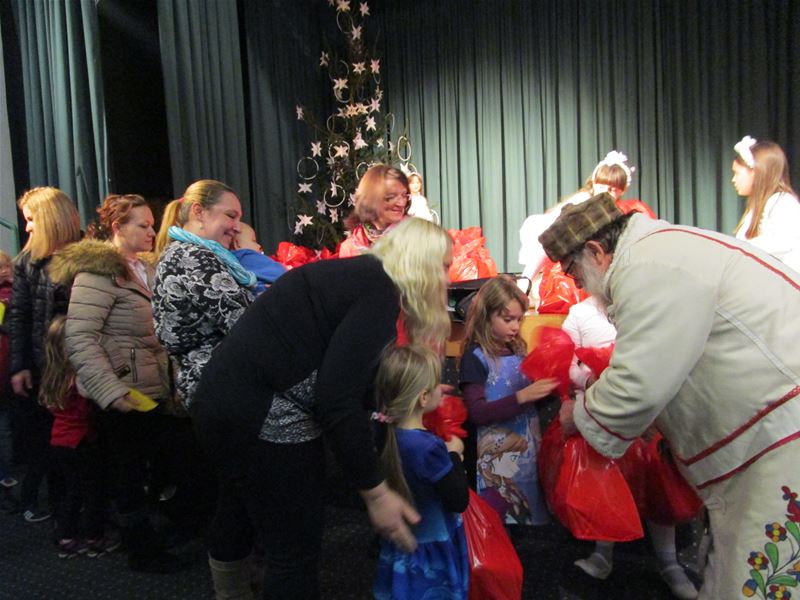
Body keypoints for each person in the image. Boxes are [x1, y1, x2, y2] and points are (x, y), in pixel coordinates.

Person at [539, 193, 800, 599]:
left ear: (596, 251)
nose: (579, 287)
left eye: (574, 274)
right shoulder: (659, 251)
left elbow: (636, 385)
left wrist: (577, 415)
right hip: (770, 431)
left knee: (756, 577)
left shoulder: (647, 266)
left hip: (779, 437)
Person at [191, 217, 453, 599]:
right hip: (265, 415)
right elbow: (337, 400)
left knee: (239, 512)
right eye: (443, 267)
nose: (447, 279)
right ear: (422, 263)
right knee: (294, 549)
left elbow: (343, 376)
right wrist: (375, 492)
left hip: (221, 405)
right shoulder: (379, 289)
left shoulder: (358, 277)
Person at [49, 193, 186, 572]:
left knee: (158, 467)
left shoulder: (144, 268)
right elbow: (80, 338)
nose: (152, 232)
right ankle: (142, 552)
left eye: (152, 224)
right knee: (129, 477)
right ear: (117, 228)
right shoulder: (97, 274)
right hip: (125, 395)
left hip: (153, 389)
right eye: (143, 225)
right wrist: (111, 391)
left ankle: (158, 538)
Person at [562, 296, 697, 599]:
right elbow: (566, 362)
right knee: (607, 484)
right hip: (600, 410)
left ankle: (669, 561)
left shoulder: (644, 302)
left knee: (659, 484)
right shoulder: (579, 313)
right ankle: (603, 553)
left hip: (650, 413)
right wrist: (592, 380)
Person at [459, 275, 557, 524]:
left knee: (525, 515)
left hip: (524, 452)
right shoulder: (475, 357)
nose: (515, 326)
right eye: (507, 319)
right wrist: (523, 396)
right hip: (492, 458)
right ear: (486, 317)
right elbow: (477, 413)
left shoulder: (518, 351)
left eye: (519, 319)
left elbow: (529, 404)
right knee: (499, 517)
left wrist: (548, 390)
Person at [8, 187, 81, 523]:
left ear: (50, 218)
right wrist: (19, 366)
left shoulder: (87, 256)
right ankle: (61, 508)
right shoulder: (27, 261)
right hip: (44, 366)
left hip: (80, 362)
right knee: (51, 439)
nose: (27, 227)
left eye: (31, 219)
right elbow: (19, 316)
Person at [373, 344, 469, 599]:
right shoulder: (428, 448)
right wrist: (455, 454)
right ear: (423, 398)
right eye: (437, 384)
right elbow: (458, 499)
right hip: (430, 547)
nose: (441, 389)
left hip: (399, 542)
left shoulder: (383, 434)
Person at [152, 179, 254, 409]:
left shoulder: (184, 253)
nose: (237, 227)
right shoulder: (192, 258)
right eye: (231, 216)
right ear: (199, 211)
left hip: (212, 386)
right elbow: (243, 320)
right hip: (219, 388)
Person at [38, 316, 119, 559]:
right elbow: (96, 395)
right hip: (81, 441)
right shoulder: (77, 375)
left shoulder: (51, 374)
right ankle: (95, 538)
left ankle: (66, 536)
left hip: (59, 441)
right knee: (93, 490)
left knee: (73, 491)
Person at [519, 151, 634, 280]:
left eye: (613, 189)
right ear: (593, 183)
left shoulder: (622, 208)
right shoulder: (582, 202)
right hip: (569, 261)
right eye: (602, 186)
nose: (606, 192)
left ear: (623, 190)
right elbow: (550, 240)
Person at [731, 135, 800, 272]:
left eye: (737, 173)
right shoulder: (755, 207)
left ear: (756, 173)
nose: (733, 180)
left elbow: (783, 242)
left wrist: (741, 248)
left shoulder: (783, 203)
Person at [338, 164, 410, 258]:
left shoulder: (416, 238)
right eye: (391, 197)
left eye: (404, 195)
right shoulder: (350, 248)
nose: (401, 203)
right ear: (370, 199)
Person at [231, 222, 286, 295]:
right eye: (253, 241)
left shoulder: (229, 260)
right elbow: (280, 273)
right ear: (237, 244)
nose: (259, 246)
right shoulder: (247, 256)